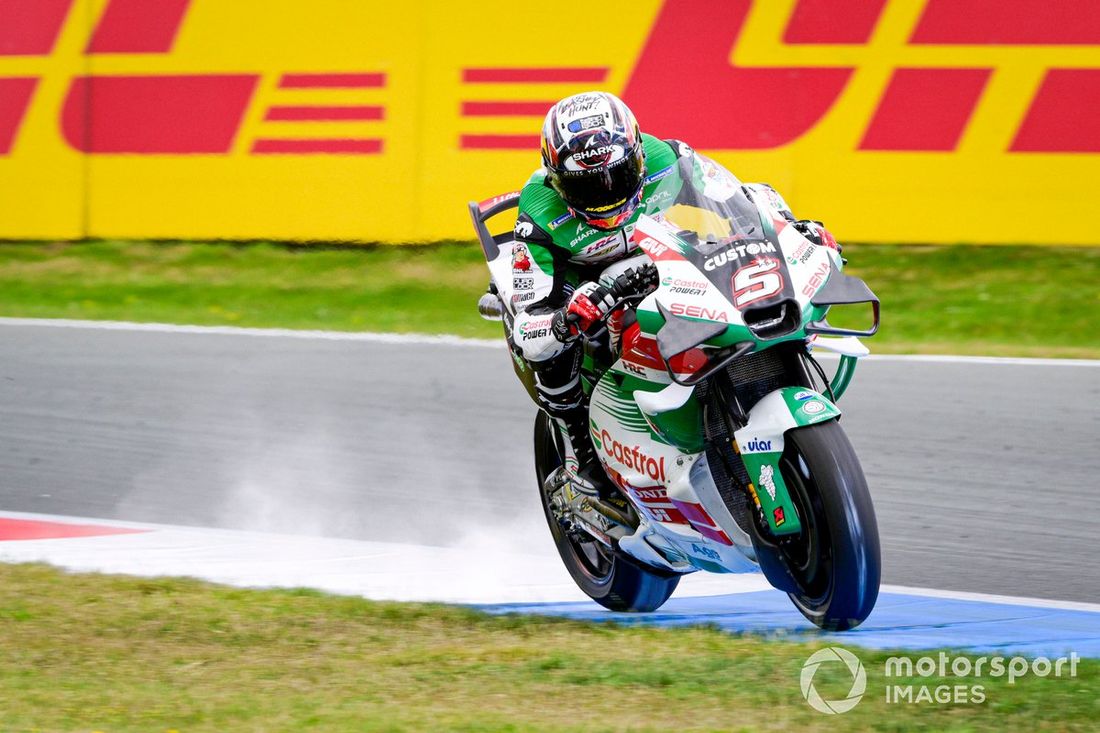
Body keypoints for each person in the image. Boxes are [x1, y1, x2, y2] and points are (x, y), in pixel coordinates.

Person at [509, 91, 837, 498]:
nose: (607, 193)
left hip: (663, 254)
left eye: (619, 174)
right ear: (556, 178)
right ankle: (580, 449)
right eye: (588, 186)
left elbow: (740, 201)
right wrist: (564, 317)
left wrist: (789, 229)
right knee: (548, 352)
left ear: (637, 155)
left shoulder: (669, 157)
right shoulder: (538, 212)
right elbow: (528, 323)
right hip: (586, 282)